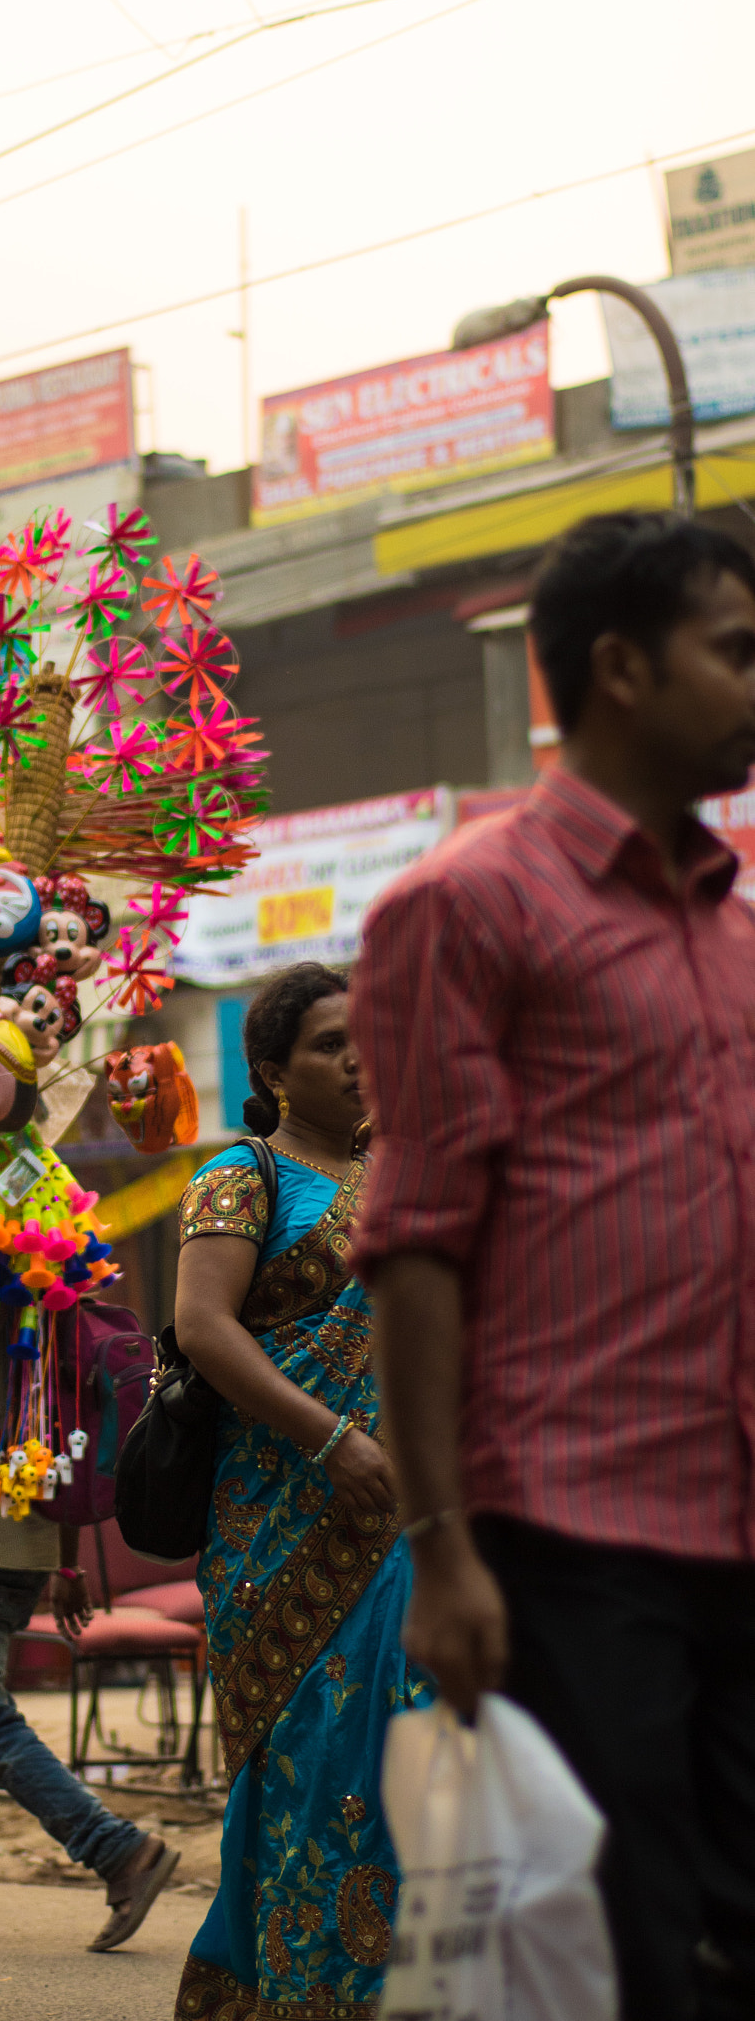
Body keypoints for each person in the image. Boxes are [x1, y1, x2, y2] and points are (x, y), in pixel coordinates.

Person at [350, 511, 755, 2021]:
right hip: (573, 1536)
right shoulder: (465, 904)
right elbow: (414, 1246)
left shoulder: (736, 941)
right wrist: (441, 1546)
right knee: (629, 1957)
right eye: (735, 650)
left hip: (738, 1517)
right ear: (619, 668)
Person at [0, 1011, 178, 1951]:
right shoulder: (30, 1220)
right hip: (21, 1510)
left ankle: (116, 1850)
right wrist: (64, 1554)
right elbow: (41, 1400)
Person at [171, 964, 426, 2020]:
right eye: (331, 1043)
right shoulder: (244, 1176)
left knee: (415, 1756)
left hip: (417, 1515)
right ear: (272, 1069)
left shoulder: (414, 1174)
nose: (361, 1058)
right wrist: (329, 1439)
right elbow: (205, 1327)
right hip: (286, 1520)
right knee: (315, 1761)